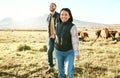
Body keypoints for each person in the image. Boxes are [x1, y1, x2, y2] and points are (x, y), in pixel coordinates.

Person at [55, 8, 80, 78]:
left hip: (69, 52)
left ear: (69, 16)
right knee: (60, 73)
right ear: (59, 16)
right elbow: (55, 37)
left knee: (68, 72)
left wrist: (77, 53)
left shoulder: (72, 26)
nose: (64, 16)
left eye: (66, 14)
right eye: (62, 14)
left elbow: (75, 41)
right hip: (58, 52)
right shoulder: (57, 25)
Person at [46, 3, 59, 74]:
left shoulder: (59, 15)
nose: (51, 7)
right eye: (50, 6)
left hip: (58, 38)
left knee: (58, 53)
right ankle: (51, 67)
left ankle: (61, 67)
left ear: (55, 7)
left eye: (52, 6)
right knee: (49, 51)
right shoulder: (48, 16)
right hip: (50, 38)